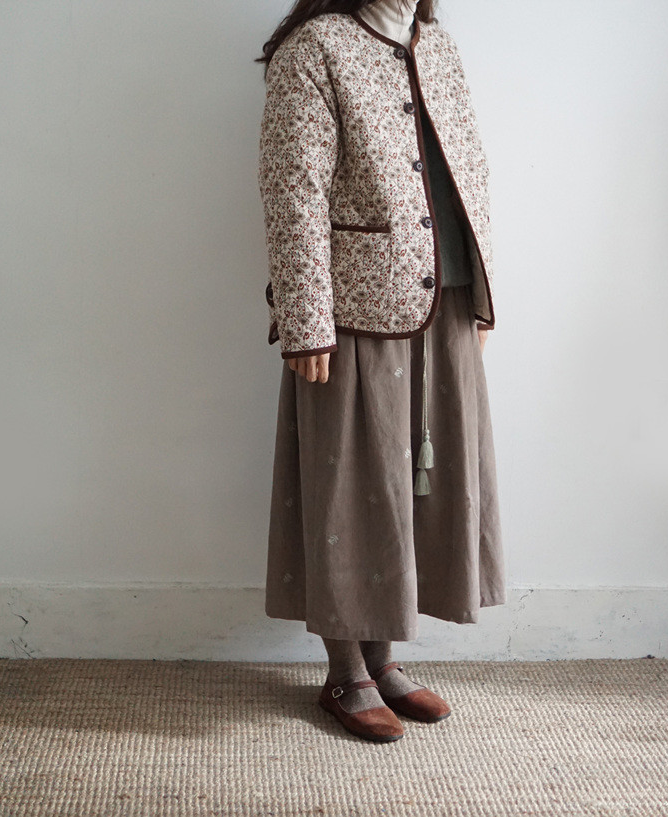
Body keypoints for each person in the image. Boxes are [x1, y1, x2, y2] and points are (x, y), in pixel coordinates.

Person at [255, 0, 506, 742]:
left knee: (415, 489)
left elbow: (471, 170)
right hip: (355, 306)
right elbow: (292, 188)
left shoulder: (439, 45)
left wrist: (484, 299)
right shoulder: (317, 48)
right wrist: (305, 317)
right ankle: (345, 672)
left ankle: (383, 661)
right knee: (351, 486)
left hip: (448, 298)